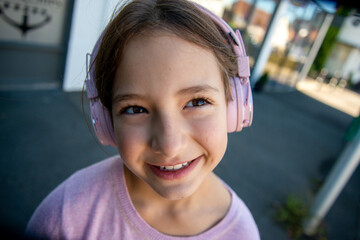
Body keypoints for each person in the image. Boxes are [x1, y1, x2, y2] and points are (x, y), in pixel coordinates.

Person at [25, 0, 260, 239]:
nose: (170, 146)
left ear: (234, 107)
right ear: (106, 121)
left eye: (197, 102)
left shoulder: (242, 233)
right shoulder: (64, 216)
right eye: (136, 109)